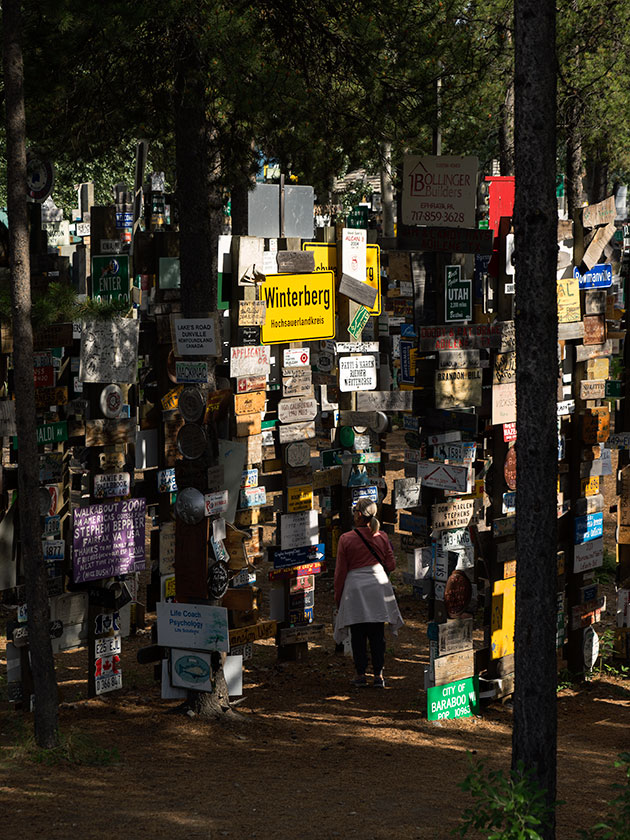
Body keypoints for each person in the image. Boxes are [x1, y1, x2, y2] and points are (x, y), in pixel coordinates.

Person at [333, 498, 404, 688]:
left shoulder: (346, 539)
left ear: (358, 515)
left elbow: (340, 572)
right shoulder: (382, 537)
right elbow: (391, 565)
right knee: (377, 633)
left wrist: (338, 597)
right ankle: (378, 675)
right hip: (378, 588)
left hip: (355, 590)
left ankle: (360, 674)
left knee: (358, 634)